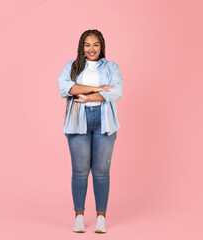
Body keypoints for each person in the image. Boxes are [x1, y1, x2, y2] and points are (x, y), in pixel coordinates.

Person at [57, 29, 124, 233]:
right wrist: (98, 89)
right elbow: (64, 88)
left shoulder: (112, 67)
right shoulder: (72, 66)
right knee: (79, 171)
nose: (91, 49)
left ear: (101, 46)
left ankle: (101, 218)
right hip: (78, 121)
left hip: (104, 122)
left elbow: (117, 92)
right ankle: (79, 217)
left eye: (95, 44)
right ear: (82, 47)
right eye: (87, 45)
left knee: (102, 172)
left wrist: (88, 97)